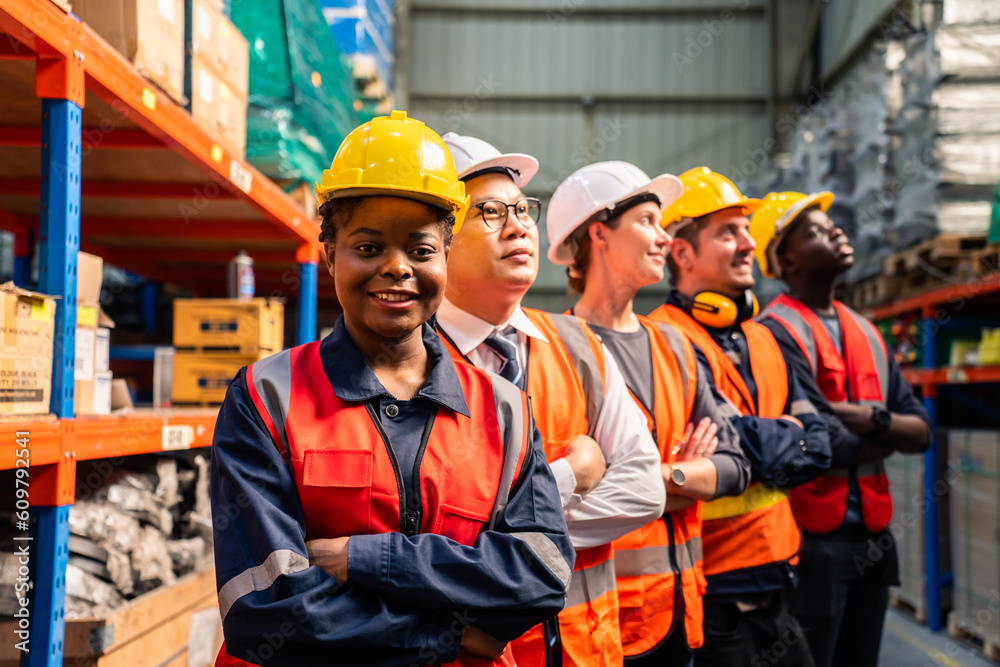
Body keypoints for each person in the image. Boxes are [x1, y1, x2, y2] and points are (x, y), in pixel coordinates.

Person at [210, 112, 574, 667]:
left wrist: (368, 560)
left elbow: (542, 572)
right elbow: (264, 602)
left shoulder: (504, 411)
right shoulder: (266, 397)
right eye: (368, 247)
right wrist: (447, 636)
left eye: (421, 251)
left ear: (446, 256)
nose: (397, 268)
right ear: (330, 252)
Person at [437, 132, 666, 666]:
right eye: (490, 212)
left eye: (523, 209)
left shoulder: (579, 346)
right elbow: (420, 530)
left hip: (585, 649)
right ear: (437, 236)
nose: (519, 226)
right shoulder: (409, 363)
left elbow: (644, 490)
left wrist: (498, 534)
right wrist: (569, 479)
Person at [546, 161, 753, 667]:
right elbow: (559, 501)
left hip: (680, 611)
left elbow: (736, 465)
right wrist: (684, 478)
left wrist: (648, 477)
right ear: (600, 232)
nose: (664, 238)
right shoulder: (553, 351)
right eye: (648, 221)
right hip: (601, 621)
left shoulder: (675, 346)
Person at [648, 167, 832, 667]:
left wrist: (760, 442)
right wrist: (785, 436)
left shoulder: (765, 337)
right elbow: (740, 440)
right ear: (682, 254)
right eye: (729, 232)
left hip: (779, 575)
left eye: (746, 230)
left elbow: (822, 444)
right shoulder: (661, 340)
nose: (749, 244)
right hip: (709, 589)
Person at [751, 191, 933, 667]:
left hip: (874, 537)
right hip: (812, 544)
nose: (835, 231)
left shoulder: (867, 331)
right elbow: (821, 444)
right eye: (813, 231)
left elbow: (922, 433)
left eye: (832, 224)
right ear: (784, 262)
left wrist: (870, 418)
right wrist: (886, 434)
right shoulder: (776, 332)